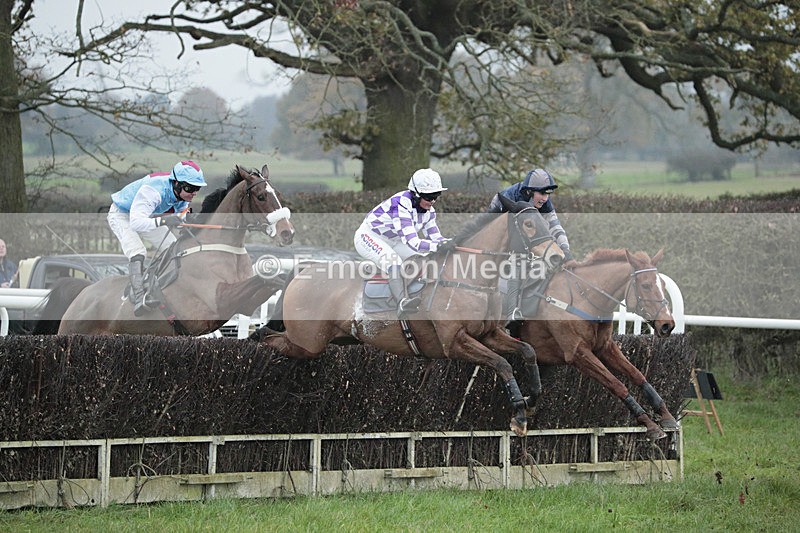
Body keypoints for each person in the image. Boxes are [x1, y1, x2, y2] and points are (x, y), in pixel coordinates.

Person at [107, 160, 207, 316]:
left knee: (173, 247)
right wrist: (165, 220)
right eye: (190, 188)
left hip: (148, 216)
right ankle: (139, 298)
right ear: (176, 184)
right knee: (138, 251)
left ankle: (158, 284)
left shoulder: (181, 196)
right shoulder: (153, 191)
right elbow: (136, 223)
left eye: (197, 189)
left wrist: (189, 221)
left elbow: (180, 220)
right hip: (122, 215)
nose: (193, 193)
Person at [354, 168, 455, 317]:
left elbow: (436, 238)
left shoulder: (429, 211)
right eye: (429, 197)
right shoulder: (400, 204)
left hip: (395, 240)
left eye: (436, 196)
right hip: (369, 237)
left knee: (423, 258)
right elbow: (413, 242)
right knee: (393, 261)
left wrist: (455, 242)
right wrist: (439, 246)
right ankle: (401, 302)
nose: (433, 201)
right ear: (416, 194)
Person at [487, 168, 574, 320]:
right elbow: (489, 226)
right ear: (529, 191)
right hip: (503, 234)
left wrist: (565, 249)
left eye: (548, 194)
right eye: (542, 194)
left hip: (524, 235)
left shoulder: (544, 203)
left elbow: (555, 227)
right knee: (518, 262)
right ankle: (512, 313)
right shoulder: (508, 197)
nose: (545, 199)